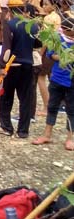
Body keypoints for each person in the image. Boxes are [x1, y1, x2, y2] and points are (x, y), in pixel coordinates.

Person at [0, 0, 40, 138]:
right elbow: (37, 44)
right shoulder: (33, 26)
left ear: (10, 10)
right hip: (28, 65)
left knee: (5, 97)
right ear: (24, 9)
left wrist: (2, 67)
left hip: (12, 66)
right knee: (25, 99)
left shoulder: (9, 25)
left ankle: (7, 127)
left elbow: (7, 49)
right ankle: (23, 131)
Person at [32, 17, 74, 150]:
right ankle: (47, 134)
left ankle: (70, 138)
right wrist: (62, 57)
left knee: (71, 110)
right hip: (57, 78)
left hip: (71, 81)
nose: (65, 32)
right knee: (52, 106)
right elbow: (50, 54)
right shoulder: (58, 40)